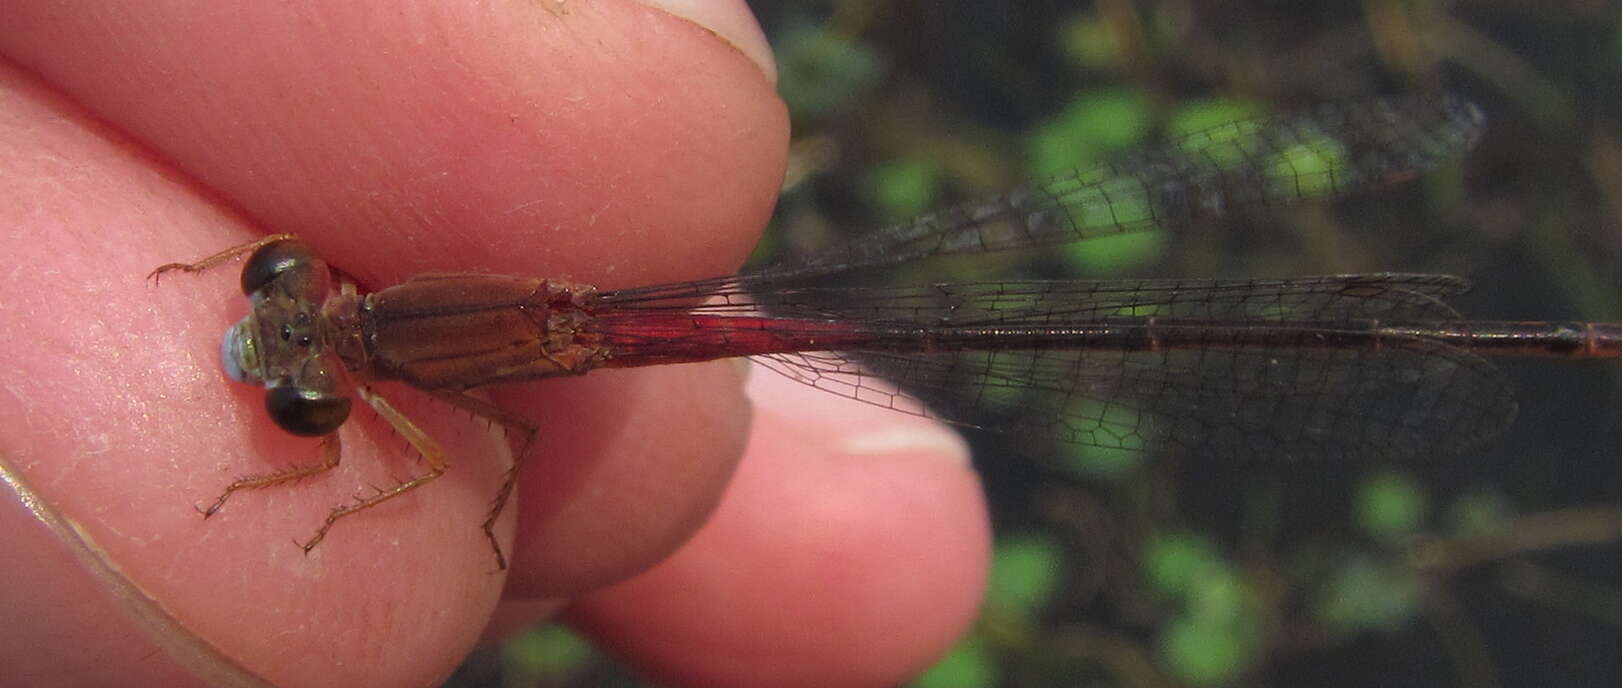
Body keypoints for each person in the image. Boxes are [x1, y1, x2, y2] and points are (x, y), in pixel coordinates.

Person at [0, 0, 989, 685]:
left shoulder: (362, 357)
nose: (288, 314)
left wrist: (307, 506)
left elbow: (445, 456)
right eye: (288, 325)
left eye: (283, 311)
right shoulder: (348, 287)